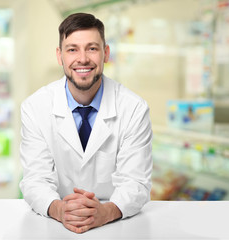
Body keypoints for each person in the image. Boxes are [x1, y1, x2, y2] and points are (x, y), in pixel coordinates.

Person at [20, 12, 153, 234]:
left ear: (106, 53)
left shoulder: (134, 108)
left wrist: (106, 212)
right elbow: (35, 180)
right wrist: (60, 210)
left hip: (117, 225)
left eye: (92, 48)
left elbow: (136, 182)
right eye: (72, 49)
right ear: (60, 56)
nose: (82, 59)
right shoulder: (35, 107)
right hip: (57, 226)